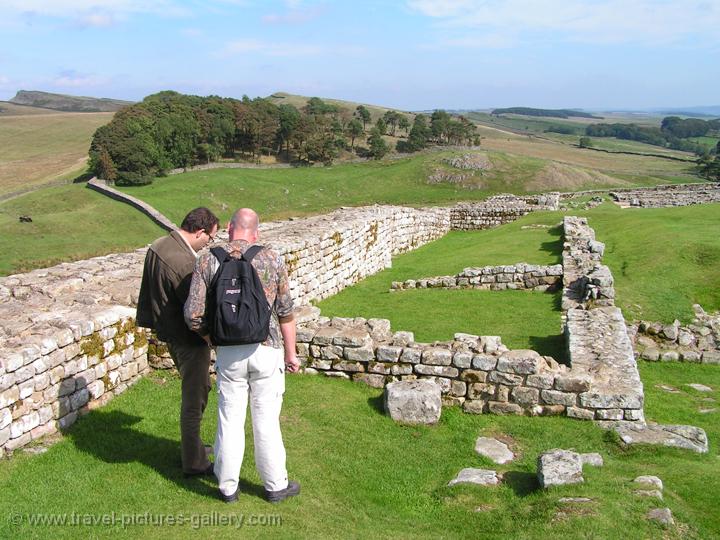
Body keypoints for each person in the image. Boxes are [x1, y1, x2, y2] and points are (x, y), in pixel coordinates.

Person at [184, 208, 300, 504]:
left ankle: (227, 486)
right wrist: (291, 353)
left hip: (229, 354)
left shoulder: (209, 258)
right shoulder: (271, 258)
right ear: (256, 232)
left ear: (230, 228)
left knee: (229, 418)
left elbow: (193, 315)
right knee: (267, 420)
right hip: (267, 349)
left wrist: (216, 340)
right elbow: (285, 312)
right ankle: (275, 485)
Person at [136, 207, 220, 477]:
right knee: (195, 398)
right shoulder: (184, 263)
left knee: (198, 390)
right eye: (211, 238)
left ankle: (193, 447)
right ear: (200, 231)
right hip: (189, 340)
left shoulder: (159, 245)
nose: (209, 243)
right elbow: (195, 310)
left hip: (170, 333)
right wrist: (213, 338)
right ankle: (194, 462)